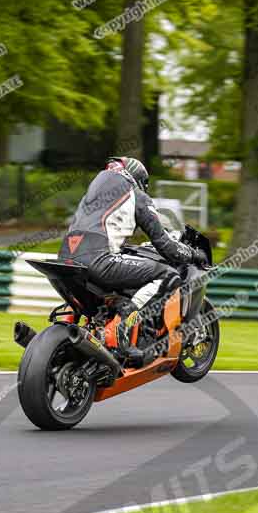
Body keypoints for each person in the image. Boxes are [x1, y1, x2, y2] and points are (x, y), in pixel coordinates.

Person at [58, 157, 207, 366]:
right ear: (138, 179)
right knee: (168, 275)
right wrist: (192, 254)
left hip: (65, 258)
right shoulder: (136, 194)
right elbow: (165, 245)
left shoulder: (94, 194)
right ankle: (126, 326)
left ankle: (70, 329)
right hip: (99, 259)